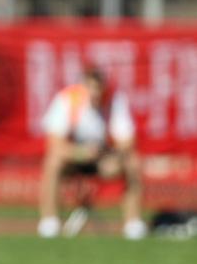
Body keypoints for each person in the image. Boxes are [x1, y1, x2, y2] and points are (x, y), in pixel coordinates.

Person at [38, 68, 147, 240]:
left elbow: (127, 140)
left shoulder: (114, 101)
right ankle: (49, 222)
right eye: (91, 88)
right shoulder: (68, 100)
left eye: (99, 88)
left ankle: (133, 224)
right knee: (53, 162)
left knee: (132, 162)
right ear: (83, 87)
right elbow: (55, 144)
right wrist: (81, 153)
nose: (95, 93)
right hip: (74, 159)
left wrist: (113, 155)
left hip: (103, 158)